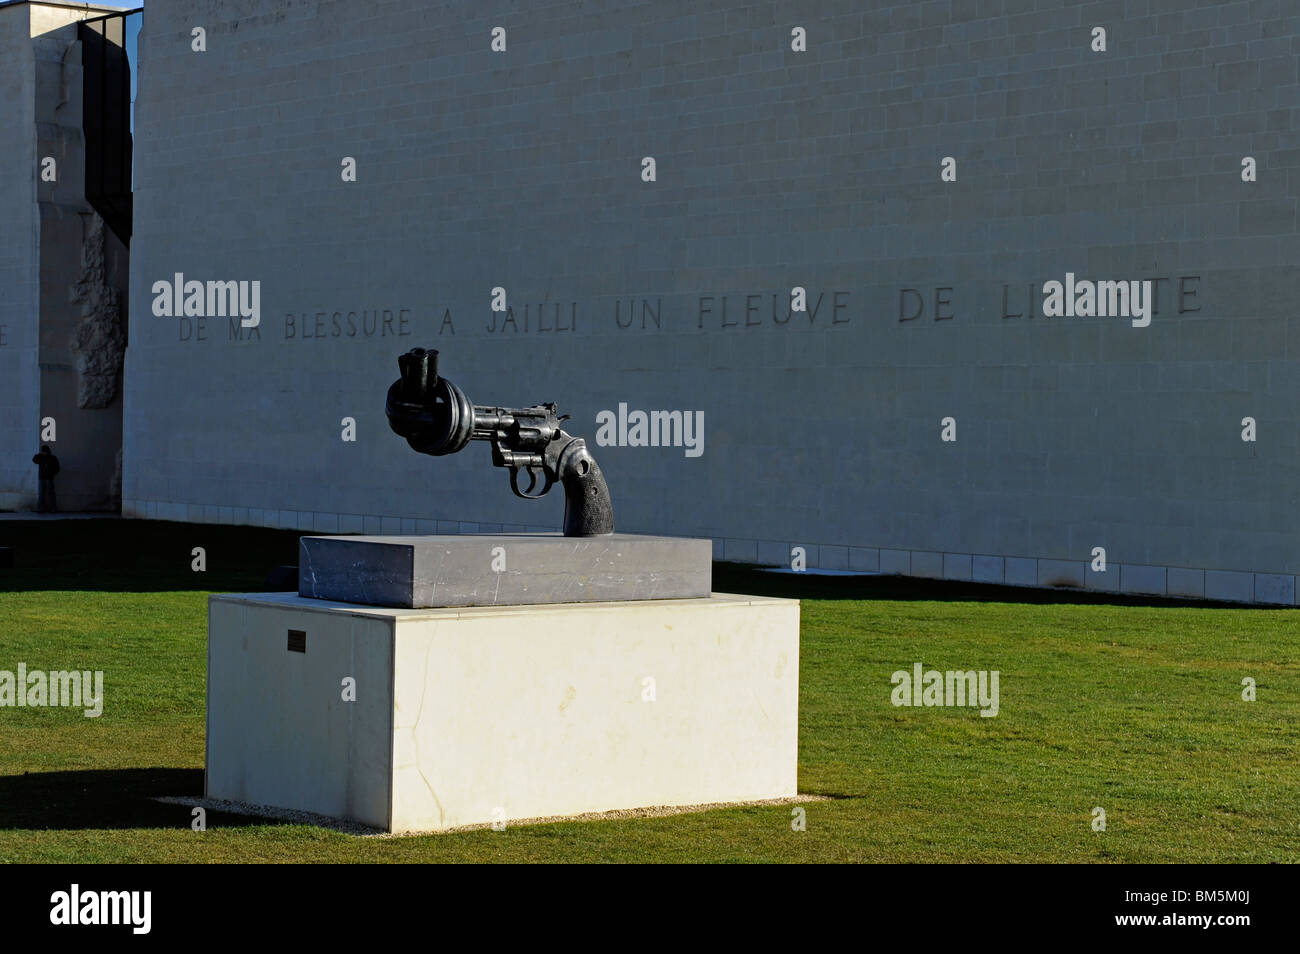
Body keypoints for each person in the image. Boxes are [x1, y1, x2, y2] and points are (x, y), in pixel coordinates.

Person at [32, 445, 60, 513]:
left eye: (44, 451)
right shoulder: (40, 457)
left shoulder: (53, 458)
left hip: (49, 478)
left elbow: (57, 468)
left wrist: (52, 474)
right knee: (42, 493)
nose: (43, 453)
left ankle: (53, 508)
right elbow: (34, 459)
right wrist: (39, 454)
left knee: (50, 493)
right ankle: (41, 508)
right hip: (42, 478)